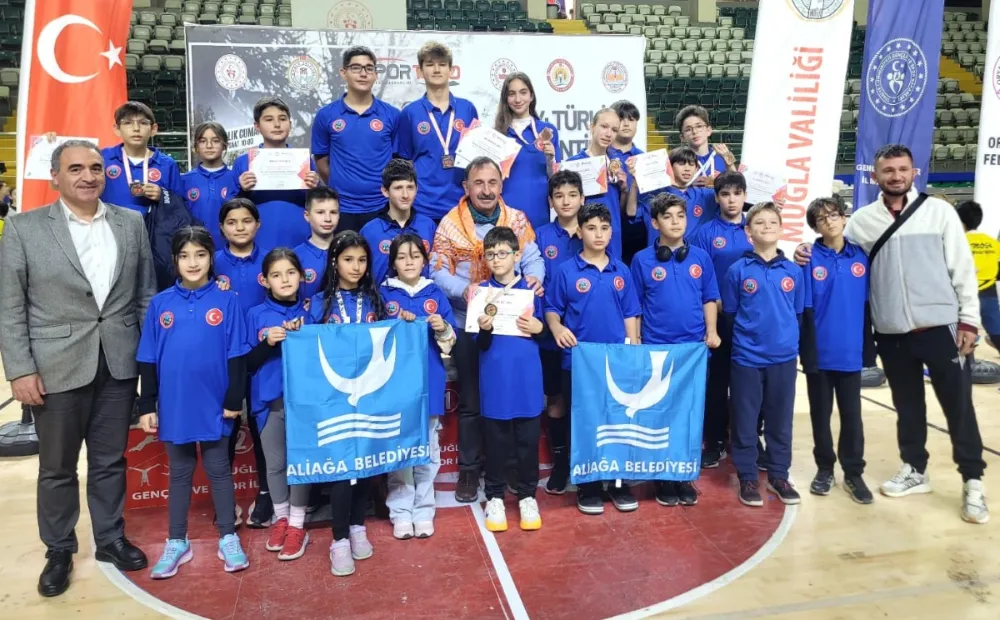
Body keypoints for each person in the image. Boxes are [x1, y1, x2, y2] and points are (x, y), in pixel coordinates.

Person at [794, 144, 987, 524]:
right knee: (907, 405)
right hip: (892, 332)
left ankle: (973, 481)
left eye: (902, 169)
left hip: (941, 326)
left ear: (914, 172)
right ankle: (915, 469)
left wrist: (968, 320)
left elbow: (962, 268)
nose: (896, 176)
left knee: (958, 406)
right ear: (875, 176)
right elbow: (833, 247)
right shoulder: (862, 222)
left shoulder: (939, 212)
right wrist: (804, 250)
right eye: (888, 170)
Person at [0, 140, 156, 597]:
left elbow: (145, 296)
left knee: (110, 460)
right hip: (55, 366)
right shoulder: (24, 227)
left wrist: (149, 364)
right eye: (75, 169)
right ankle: (59, 549)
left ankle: (110, 538)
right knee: (57, 468)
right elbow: (11, 308)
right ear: (55, 177)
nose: (88, 176)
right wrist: (20, 369)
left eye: (95, 167)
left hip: (119, 363)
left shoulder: (130, 223)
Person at [137, 226, 250, 578]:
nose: (193, 262)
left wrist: (233, 398)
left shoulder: (227, 301)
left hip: (215, 403)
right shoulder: (161, 304)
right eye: (184, 256)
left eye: (200, 255)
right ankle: (177, 540)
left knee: (218, 469)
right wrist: (147, 404)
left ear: (211, 258)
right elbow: (148, 357)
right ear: (175, 260)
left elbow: (237, 353)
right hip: (175, 404)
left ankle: (228, 536)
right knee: (180, 472)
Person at [430, 156, 545, 503]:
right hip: (468, 320)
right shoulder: (450, 224)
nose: (486, 190)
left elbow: (534, 258)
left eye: (492, 182)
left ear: (501, 185)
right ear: (466, 187)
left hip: (513, 322)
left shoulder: (517, 219)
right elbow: (437, 270)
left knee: (509, 397)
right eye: (478, 183)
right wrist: (464, 290)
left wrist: (535, 277)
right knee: (472, 399)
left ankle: (507, 467)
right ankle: (468, 469)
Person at [544, 203, 640, 514]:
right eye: (591, 228)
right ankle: (588, 485)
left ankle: (618, 482)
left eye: (604, 228)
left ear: (611, 233)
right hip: (579, 362)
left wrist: (633, 348)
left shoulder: (621, 271)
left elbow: (630, 313)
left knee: (617, 421)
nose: (598, 234)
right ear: (580, 232)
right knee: (584, 422)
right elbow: (552, 309)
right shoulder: (566, 271)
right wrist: (557, 327)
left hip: (616, 362)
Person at [630, 193, 721, 507]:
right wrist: (636, 340)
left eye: (680, 216)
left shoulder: (701, 258)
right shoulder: (642, 260)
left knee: (689, 414)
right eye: (667, 217)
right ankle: (663, 477)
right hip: (657, 349)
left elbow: (709, 297)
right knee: (661, 414)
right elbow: (635, 306)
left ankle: (683, 475)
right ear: (655, 223)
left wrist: (711, 331)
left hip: (694, 350)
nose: (675, 222)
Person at [309, 231, 385, 576]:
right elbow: (307, 349)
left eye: (362, 260)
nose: (356, 267)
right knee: (342, 471)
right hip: (334, 401)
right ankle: (338, 539)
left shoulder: (375, 301)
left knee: (365, 465)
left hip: (368, 397)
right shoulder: (318, 303)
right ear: (334, 262)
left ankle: (357, 527)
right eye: (348, 260)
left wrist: (406, 323)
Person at [722, 202, 803, 508]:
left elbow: (797, 314)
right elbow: (730, 314)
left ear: (782, 229)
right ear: (748, 232)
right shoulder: (737, 271)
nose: (767, 226)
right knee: (745, 420)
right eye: (759, 223)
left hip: (783, 358)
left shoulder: (794, 271)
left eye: (772, 222)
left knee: (780, 421)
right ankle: (747, 476)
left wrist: (787, 343)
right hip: (747, 359)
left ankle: (779, 475)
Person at [380, 233, 457, 539]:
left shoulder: (435, 293)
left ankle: (424, 508)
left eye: (415, 256)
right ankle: (400, 510)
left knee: (427, 447)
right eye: (402, 257)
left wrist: (442, 326)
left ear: (425, 261)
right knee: (400, 448)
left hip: (429, 379)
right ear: (393, 263)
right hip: (394, 384)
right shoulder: (383, 294)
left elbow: (450, 341)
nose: (409, 262)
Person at [798, 197, 873, 504]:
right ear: (815, 227)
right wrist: (806, 351)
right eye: (821, 218)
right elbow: (804, 309)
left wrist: (869, 349)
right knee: (820, 414)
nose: (828, 221)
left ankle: (853, 473)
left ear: (844, 219)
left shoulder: (862, 257)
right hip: (820, 351)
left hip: (850, 351)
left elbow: (868, 306)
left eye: (833, 215)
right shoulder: (807, 258)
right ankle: (825, 468)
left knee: (852, 416)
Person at [476, 227, 546, 532]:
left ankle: (528, 495)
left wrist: (539, 328)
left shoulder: (532, 289)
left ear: (517, 255)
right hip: (495, 378)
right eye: (490, 254)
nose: (496, 259)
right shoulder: (481, 292)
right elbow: (480, 344)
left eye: (503, 253)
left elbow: (546, 331)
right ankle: (494, 497)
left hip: (527, 378)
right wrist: (485, 329)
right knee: (496, 443)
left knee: (528, 442)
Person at [245, 248, 312, 560]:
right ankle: (281, 517)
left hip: (305, 403)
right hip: (269, 402)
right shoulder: (255, 315)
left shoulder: (313, 312)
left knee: (301, 463)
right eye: (276, 275)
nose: (284, 280)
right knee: (275, 464)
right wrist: (268, 342)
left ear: (302, 276)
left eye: (290, 273)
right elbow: (246, 363)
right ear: (264, 280)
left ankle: (297, 524)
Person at [690, 171, 753, 467]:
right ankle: (714, 441)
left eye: (737, 193)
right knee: (716, 382)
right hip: (719, 316)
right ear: (716, 198)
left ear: (745, 196)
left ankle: (749, 439)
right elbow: (700, 278)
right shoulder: (705, 233)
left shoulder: (755, 227)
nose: (731, 200)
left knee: (749, 382)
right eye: (725, 194)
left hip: (752, 317)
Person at [213, 198, 269, 527]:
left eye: (247, 221)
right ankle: (226, 500)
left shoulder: (272, 260)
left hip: (263, 358)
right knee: (227, 429)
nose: (240, 227)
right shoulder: (212, 262)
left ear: (258, 224)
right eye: (232, 222)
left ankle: (266, 495)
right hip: (225, 360)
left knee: (263, 429)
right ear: (222, 227)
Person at [312, 46, 400, 232]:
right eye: (356, 68)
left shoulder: (392, 115)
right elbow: (321, 159)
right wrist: (342, 185)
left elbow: (398, 162)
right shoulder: (326, 115)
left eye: (369, 68)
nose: (363, 74)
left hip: (382, 205)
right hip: (341, 208)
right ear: (343, 73)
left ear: (375, 74)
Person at [534, 170, 584, 494]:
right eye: (559, 196)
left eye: (572, 195)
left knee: (585, 399)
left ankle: (585, 462)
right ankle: (561, 463)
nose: (566, 201)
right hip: (550, 332)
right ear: (551, 201)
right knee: (556, 399)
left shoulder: (593, 231)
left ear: (582, 199)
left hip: (586, 332)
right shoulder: (540, 235)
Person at [396, 41, 479, 223]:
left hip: (461, 204)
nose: (436, 70)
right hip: (423, 205)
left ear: (451, 70)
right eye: (429, 64)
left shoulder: (467, 109)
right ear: (420, 71)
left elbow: (476, 156)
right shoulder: (410, 113)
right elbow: (405, 162)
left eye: (442, 64)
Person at [233, 96, 321, 253]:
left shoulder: (304, 160)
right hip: (258, 238)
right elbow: (229, 208)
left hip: (299, 236)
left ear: (290, 124)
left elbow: (319, 204)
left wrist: (315, 189)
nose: (277, 125)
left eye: (283, 119)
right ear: (257, 126)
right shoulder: (243, 162)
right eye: (269, 119)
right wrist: (242, 190)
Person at [565, 108, 637, 261]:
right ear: (592, 126)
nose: (608, 134)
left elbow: (621, 210)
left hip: (612, 236)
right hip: (582, 236)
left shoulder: (619, 166)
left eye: (614, 130)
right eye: (604, 126)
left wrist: (624, 190)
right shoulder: (573, 164)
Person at [495, 72, 561, 230]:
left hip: (539, 210)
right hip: (507, 211)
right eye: (512, 94)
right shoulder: (498, 134)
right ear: (505, 99)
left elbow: (556, 179)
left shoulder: (547, 131)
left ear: (531, 96)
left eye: (523, 92)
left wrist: (550, 159)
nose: (518, 99)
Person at [100, 101, 185, 216]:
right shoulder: (103, 158)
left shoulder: (167, 164)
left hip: (152, 226)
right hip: (110, 225)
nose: (136, 128)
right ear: (117, 129)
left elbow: (181, 203)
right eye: (128, 123)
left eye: (143, 123)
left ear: (153, 129)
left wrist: (162, 195)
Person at [360, 159, 437, 285]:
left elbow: (437, 269)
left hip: (422, 296)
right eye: (398, 188)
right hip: (381, 297)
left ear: (417, 189)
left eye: (410, 187)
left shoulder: (429, 226)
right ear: (385, 191)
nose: (405, 195)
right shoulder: (370, 231)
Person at [636, 147, 718, 247]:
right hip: (660, 253)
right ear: (669, 166)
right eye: (681, 164)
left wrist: (729, 164)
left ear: (696, 169)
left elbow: (732, 192)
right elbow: (631, 213)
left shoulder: (704, 195)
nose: (687, 169)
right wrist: (634, 183)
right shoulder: (654, 195)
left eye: (692, 164)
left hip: (695, 254)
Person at [182, 121, 240, 248]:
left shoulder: (236, 179)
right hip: (195, 249)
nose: (209, 146)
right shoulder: (184, 180)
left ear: (225, 145)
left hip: (230, 249)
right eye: (203, 141)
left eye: (215, 141)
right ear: (196, 147)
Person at [609, 99, 649, 264]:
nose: (626, 124)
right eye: (621, 119)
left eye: (631, 119)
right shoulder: (601, 156)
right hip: (606, 225)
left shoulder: (646, 159)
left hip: (638, 227)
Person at [956, 200, 1000, 350]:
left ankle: (968, 362)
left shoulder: (957, 242)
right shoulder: (993, 243)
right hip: (989, 294)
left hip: (962, 296)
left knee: (962, 335)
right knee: (997, 333)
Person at [293, 187, 341, 300]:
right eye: (320, 212)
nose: (328, 219)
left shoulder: (348, 251)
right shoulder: (295, 257)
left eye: (333, 212)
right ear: (307, 215)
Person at [675, 105, 736, 184]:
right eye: (688, 129)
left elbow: (738, 184)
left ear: (709, 130)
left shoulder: (722, 155)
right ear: (682, 137)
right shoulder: (677, 161)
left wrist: (729, 162)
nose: (694, 132)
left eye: (699, 126)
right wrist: (688, 184)